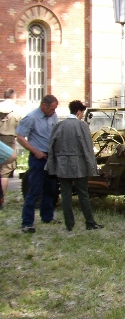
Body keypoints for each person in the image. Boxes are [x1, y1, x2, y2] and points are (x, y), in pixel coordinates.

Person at [46, 100, 104, 231]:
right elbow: (88, 147)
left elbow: (51, 146)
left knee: (66, 195)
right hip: (78, 164)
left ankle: (69, 224)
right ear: (78, 112)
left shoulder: (59, 125)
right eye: (82, 113)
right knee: (83, 194)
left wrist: (52, 163)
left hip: (62, 165)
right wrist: (92, 166)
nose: (82, 115)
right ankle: (90, 222)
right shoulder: (81, 126)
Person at [17, 95, 59, 233]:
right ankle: (27, 223)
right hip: (38, 158)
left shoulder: (53, 116)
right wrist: (35, 152)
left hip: (50, 157)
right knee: (34, 190)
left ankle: (47, 216)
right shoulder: (31, 117)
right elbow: (20, 137)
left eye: (55, 109)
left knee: (50, 189)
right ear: (43, 106)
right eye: (52, 109)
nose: (54, 111)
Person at [0, 88, 23, 201]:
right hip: (9, 140)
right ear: (14, 97)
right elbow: (21, 126)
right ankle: (1, 198)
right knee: (5, 172)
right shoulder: (17, 109)